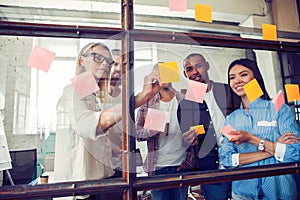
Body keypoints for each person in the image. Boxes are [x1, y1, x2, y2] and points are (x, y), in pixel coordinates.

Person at [54, 42, 163, 199]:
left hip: (99, 182)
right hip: (80, 190)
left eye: (108, 61)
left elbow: (84, 139)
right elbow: (88, 126)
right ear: (81, 61)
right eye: (98, 58)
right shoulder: (72, 91)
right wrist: (141, 97)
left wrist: (109, 150)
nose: (105, 64)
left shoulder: (93, 96)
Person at [220, 58, 300, 200]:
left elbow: (294, 153)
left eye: (243, 75)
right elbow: (227, 160)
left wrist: (251, 139)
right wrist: (273, 149)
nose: (237, 81)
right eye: (232, 77)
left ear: (256, 77)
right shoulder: (231, 119)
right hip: (243, 193)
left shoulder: (278, 110)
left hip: (279, 191)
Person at [176, 53, 241, 200]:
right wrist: (188, 142)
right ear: (185, 74)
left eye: (198, 66)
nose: (195, 72)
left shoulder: (228, 91)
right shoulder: (185, 105)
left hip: (240, 164)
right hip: (210, 170)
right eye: (189, 69)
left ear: (207, 65)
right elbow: (186, 142)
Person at [135, 64, 190, 200]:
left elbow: (196, 130)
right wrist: (150, 132)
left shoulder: (185, 100)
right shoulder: (146, 102)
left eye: (166, 73)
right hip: (157, 166)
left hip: (181, 165)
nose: (162, 77)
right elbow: (136, 133)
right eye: (158, 74)